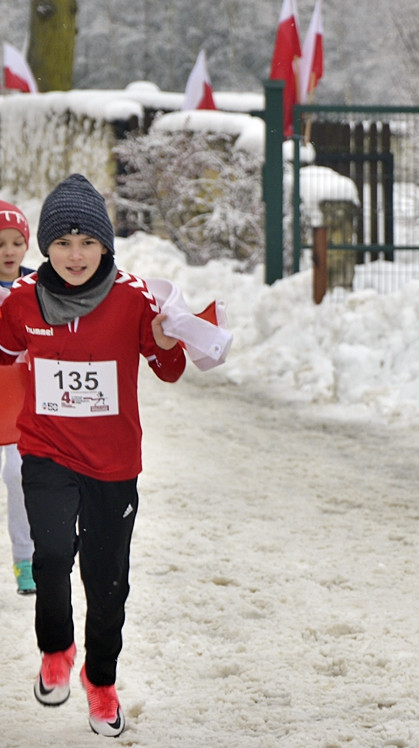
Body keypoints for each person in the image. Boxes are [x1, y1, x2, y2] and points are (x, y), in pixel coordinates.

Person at [0, 174, 186, 738]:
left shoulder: (133, 297)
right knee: (52, 556)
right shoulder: (22, 300)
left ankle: (100, 680)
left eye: (87, 242)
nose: (75, 255)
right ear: (45, 248)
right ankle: (57, 649)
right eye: (62, 243)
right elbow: (4, 352)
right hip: (46, 450)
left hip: (112, 464)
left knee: (108, 583)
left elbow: (170, 368)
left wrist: (167, 343)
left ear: (105, 245)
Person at [0, 200, 35, 594]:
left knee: (19, 473)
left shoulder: (38, 286)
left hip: (21, 398)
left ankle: (24, 560)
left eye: (16, 242)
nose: (8, 252)